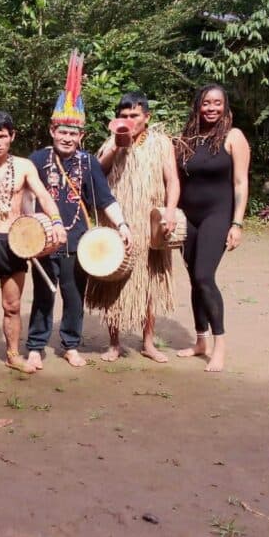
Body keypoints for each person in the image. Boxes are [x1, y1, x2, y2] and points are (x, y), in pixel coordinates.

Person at [25, 50, 132, 370]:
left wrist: (123, 225)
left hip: (77, 242)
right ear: (52, 131)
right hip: (43, 240)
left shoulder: (88, 163)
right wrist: (31, 225)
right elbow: (27, 197)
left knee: (74, 297)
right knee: (43, 295)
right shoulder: (37, 159)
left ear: (81, 136)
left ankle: (71, 344)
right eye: (63, 131)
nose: (68, 137)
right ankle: (35, 345)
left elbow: (104, 198)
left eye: (73, 133)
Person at [0, 110, 68, 378]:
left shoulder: (25, 166)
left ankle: (13, 355)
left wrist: (56, 222)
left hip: (16, 243)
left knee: (12, 306)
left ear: (12, 137)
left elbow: (43, 194)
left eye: (2, 136)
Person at [87, 91, 180, 362]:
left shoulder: (162, 143)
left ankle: (148, 342)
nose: (128, 120)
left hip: (150, 221)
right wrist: (117, 146)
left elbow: (172, 180)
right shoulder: (110, 142)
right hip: (118, 221)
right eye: (123, 116)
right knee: (113, 279)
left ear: (146, 117)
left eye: (134, 116)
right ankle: (114, 342)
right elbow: (97, 174)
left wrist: (171, 211)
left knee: (150, 280)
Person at [174, 84, 250, 372]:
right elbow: (177, 179)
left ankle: (219, 345)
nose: (211, 108)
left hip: (217, 215)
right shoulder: (187, 138)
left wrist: (237, 223)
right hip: (188, 217)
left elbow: (241, 182)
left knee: (205, 276)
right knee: (194, 278)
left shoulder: (234, 137)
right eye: (206, 103)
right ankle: (200, 340)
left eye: (217, 103)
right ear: (198, 105)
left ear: (225, 106)